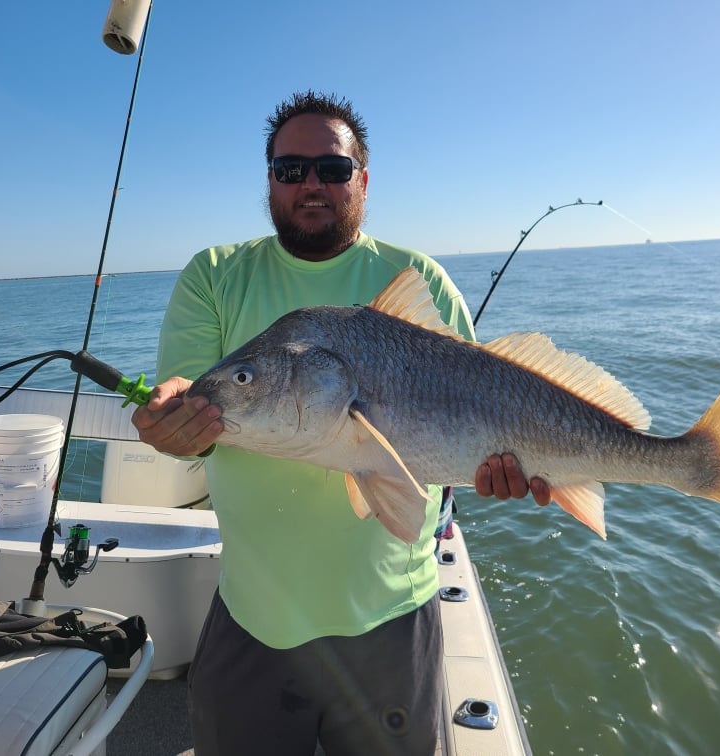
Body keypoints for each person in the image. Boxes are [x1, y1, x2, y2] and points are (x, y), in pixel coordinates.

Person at [132, 90, 550, 755]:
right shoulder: (213, 276)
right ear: (268, 179)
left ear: (363, 177)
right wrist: (172, 416)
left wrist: (500, 473)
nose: (311, 185)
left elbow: (488, 402)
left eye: (332, 168)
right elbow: (189, 391)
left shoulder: (420, 279)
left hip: (393, 618)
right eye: (289, 170)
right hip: (255, 615)